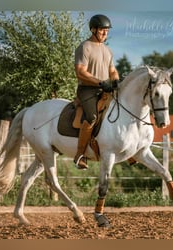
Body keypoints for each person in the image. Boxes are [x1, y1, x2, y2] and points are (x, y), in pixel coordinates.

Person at [73, 14, 119, 170]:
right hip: (87, 90)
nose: (105, 33)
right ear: (93, 29)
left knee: (119, 110)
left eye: (106, 30)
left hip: (105, 89)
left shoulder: (107, 50)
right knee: (92, 117)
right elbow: (80, 72)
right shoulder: (84, 47)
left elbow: (112, 71)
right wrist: (100, 82)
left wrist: (116, 81)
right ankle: (79, 155)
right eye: (101, 30)